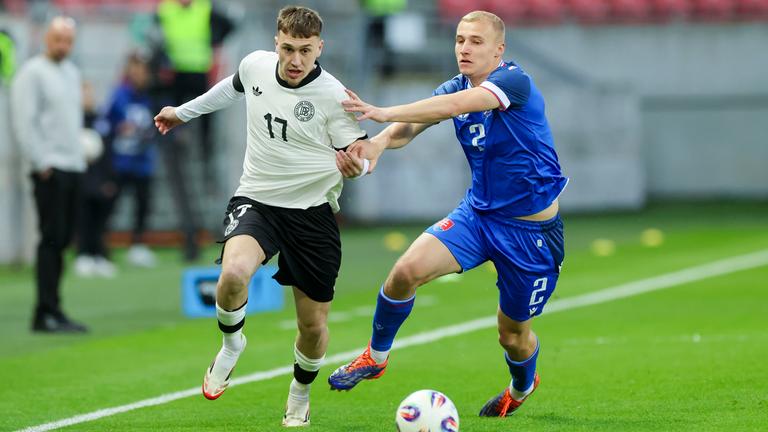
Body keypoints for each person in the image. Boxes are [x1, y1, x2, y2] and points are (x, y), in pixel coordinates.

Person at [329, 10, 567, 418]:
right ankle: (376, 356)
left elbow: (458, 104)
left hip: (531, 235)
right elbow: (410, 126)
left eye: (476, 41)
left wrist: (384, 111)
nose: (465, 48)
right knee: (405, 271)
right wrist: (377, 145)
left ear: (498, 49)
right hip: (478, 217)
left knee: (512, 336)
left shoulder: (513, 81)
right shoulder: (454, 86)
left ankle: (523, 384)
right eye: (459, 40)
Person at [153, 6, 370, 427]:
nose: (295, 60)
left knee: (312, 327)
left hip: (313, 215)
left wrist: (357, 168)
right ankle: (232, 345)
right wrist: (182, 111)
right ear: (276, 43)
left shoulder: (333, 95)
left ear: (319, 48)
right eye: (288, 48)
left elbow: (362, 154)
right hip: (258, 201)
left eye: (305, 51)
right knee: (233, 274)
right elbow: (228, 90)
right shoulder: (254, 66)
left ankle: (299, 394)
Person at [10, 16, 88, 333]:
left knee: (63, 239)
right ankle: (44, 311)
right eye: (58, 39)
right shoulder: (32, 73)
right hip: (50, 167)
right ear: (46, 38)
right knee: (51, 238)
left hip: (72, 165)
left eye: (68, 40)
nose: (63, 46)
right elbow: (23, 121)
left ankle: (55, 307)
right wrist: (41, 161)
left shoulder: (71, 72)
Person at [152, 0, 236, 261]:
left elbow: (229, 25)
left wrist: (214, 43)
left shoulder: (204, 8)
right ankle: (187, 139)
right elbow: (151, 35)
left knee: (202, 120)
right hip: (178, 79)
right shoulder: (167, 10)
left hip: (198, 76)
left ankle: (203, 147)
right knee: (180, 120)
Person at [102, 50, 158, 268]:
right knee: (111, 206)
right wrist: (118, 128)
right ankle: (102, 247)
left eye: (142, 71)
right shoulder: (119, 95)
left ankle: (138, 244)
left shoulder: (150, 97)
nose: (139, 75)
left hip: (143, 162)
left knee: (143, 205)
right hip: (121, 162)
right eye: (135, 70)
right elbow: (104, 123)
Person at [74, 81, 118, 278]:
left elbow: (108, 152)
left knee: (101, 219)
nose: (87, 98)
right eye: (83, 94)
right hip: (81, 179)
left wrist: (108, 179)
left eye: (89, 94)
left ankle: (99, 255)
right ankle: (82, 255)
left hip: (99, 179)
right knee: (82, 218)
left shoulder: (101, 121)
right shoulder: (73, 121)